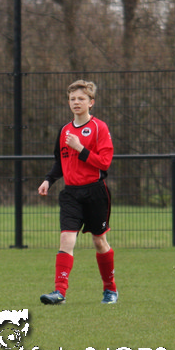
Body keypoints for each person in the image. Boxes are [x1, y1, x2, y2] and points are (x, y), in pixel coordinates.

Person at [37, 79, 117, 305]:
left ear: (91, 102)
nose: (76, 102)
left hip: (95, 192)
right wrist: (48, 180)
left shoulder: (100, 128)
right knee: (66, 238)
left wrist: (80, 148)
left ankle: (110, 289)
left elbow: (104, 163)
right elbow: (60, 161)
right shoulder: (64, 131)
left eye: (81, 98)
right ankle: (59, 292)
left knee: (99, 242)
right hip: (71, 194)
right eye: (72, 99)